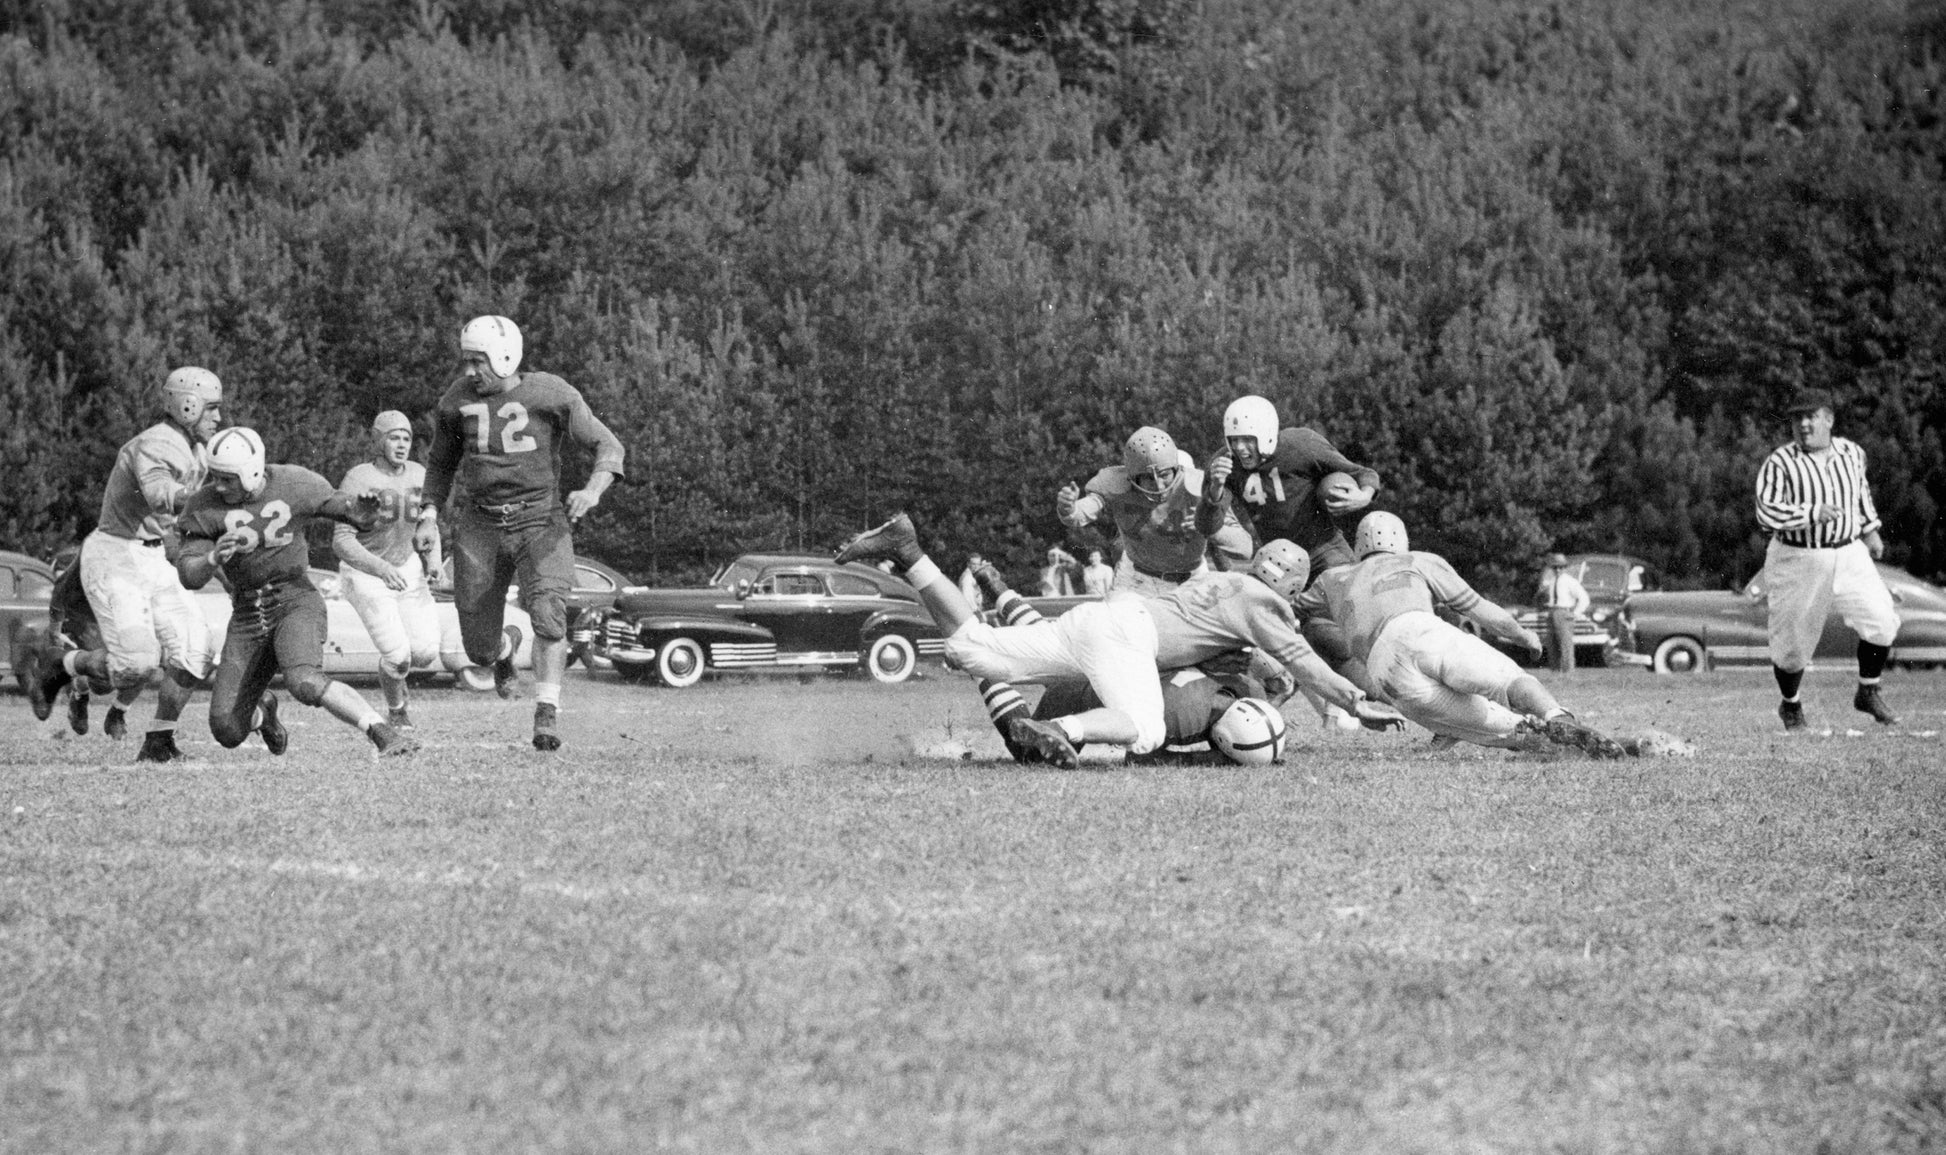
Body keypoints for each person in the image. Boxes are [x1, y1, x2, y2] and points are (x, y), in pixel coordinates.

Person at [834, 512, 1401, 769]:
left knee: (969, 650)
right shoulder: (1265, 604)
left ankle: (909, 551)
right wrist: (1355, 702)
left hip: (1103, 618)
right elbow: (1300, 660)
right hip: (1127, 638)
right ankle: (1062, 730)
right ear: (1292, 588)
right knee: (1145, 728)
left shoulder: (1222, 582)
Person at [424, 315, 627, 751]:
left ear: (504, 356)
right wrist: (427, 513)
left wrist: (592, 490)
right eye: (466, 361)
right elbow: (440, 464)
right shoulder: (456, 400)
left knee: (549, 612)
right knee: (478, 650)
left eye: (478, 361)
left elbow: (609, 445)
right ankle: (504, 651)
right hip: (480, 524)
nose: (469, 372)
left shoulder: (550, 392)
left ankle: (546, 711)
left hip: (539, 519)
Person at [1297, 512, 1625, 757]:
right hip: (1420, 629)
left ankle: (1552, 741)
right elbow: (1479, 609)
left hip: (1383, 669)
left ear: (1358, 546)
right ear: (1401, 540)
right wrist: (1523, 636)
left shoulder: (1333, 578)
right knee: (1506, 680)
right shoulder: (1419, 560)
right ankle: (1559, 718)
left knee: (1503, 728)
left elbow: (1287, 609)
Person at [175, 427, 418, 757]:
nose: (218, 486)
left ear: (251, 471)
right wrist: (212, 559)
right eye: (214, 476)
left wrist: (361, 515)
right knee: (226, 729)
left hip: (294, 599)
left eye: (227, 479)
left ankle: (382, 733)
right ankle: (264, 714)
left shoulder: (292, 482)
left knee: (304, 680)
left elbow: (346, 509)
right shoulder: (202, 505)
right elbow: (188, 575)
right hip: (247, 614)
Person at [31, 367, 221, 763]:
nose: (218, 417)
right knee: (136, 664)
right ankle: (59, 665)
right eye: (212, 408)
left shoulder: (197, 450)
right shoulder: (156, 442)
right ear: (188, 405)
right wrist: (211, 501)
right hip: (116, 553)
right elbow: (159, 493)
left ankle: (159, 740)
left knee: (197, 651)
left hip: (153, 554)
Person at [965, 561, 1295, 766]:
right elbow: (1141, 757)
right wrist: (1208, 759)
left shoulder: (1246, 689)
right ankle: (982, 669)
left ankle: (1000, 592)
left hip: (1121, 637)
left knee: (1047, 638)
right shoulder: (1183, 719)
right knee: (1029, 753)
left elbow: (1257, 697)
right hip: (1084, 692)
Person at [1754, 388, 1901, 730]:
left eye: (1811, 417)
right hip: (1799, 555)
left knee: (1881, 620)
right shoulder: (1780, 462)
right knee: (1792, 643)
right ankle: (1791, 704)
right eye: (1797, 418)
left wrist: (1870, 529)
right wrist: (1810, 512)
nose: (1803, 425)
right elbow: (1766, 513)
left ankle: (1868, 690)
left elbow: (1860, 493)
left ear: (1829, 419)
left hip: (1849, 551)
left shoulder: (1852, 453)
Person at [333, 411, 443, 730]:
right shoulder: (359, 478)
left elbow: (428, 525)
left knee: (425, 652)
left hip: (406, 565)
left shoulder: (419, 474)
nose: (402, 444)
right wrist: (380, 568)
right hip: (365, 571)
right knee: (397, 656)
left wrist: (434, 562)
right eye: (394, 437)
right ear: (378, 441)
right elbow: (341, 541)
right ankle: (397, 710)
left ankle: (397, 679)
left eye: (406, 438)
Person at [1196, 395, 1380, 574]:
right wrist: (1215, 489)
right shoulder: (1223, 464)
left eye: (1247, 439)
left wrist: (1364, 496)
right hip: (1276, 559)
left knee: (1344, 588)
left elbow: (1362, 473)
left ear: (1266, 433)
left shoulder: (1301, 445)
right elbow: (1206, 527)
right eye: (1234, 440)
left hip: (1323, 549)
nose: (1239, 447)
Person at [1056, 426, 1244, 598]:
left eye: (1164, 475)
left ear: (1177, 469)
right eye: (1148, 478)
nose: (1159, 485)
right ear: (1132, 477)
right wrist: (1069, 508)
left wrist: (1209, 525)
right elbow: (1082, 512)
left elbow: (1243, 547)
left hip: (1190, 580)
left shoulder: (1200, 485)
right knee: (1117, 621)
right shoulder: (1116, 483)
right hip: (1136, 579)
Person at [1536, 552, 1591, 673]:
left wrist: (1576, 613)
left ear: (1565, 568)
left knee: (1565, 644)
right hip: (1552, 611)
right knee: (1552, 642)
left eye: (1560, 567)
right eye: (1555, 567)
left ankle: (1568, 671)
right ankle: (1555, 670)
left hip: (1564, 612)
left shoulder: (1570, 581)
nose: (1558, 570)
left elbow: (1584, 598)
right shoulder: (1551, 581)